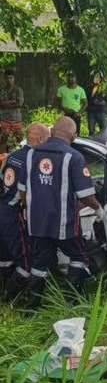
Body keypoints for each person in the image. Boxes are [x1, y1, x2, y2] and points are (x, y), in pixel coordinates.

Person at [5, 117, 104, 308]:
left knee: (40, 264)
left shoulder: (31, 155)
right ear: (73, 136)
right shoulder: (73, 157)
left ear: (52, 131)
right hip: (64, 224)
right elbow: (85, 195)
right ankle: (71, 300)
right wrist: (98, 208)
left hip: (37, 223)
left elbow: (22, 189)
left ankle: (31, 308)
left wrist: (28, 209)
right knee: (80, 258)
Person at [0, 122, 49, 290]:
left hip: (3, 208)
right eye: (48, 139)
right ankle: (14, 295)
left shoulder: (12, 156)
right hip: (15, 213)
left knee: (5, 257)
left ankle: (4, 290)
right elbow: (31, 191)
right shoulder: (34, 159)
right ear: (41, 138)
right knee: (26, 259)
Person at [0, 69, 24, 153]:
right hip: (4, 119)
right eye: (7, 78)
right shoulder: (2, 90)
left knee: (20, 141)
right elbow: (0, 103)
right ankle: (2, 161)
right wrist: (12, 101)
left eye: (11, 78)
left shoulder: (18, 90)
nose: (9, 80)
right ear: (4, 79)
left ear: (14, 78)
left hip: (16, 119)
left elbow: (20, 104)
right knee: (3, 140)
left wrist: (5, 103)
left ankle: (21, 158)